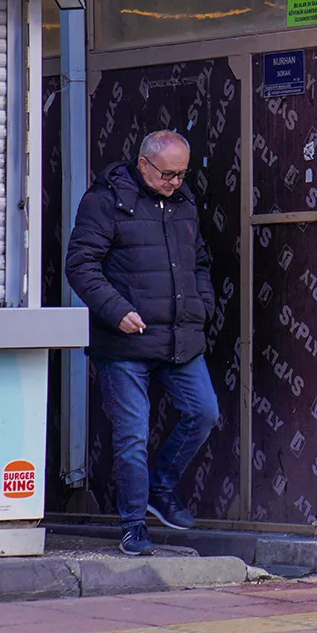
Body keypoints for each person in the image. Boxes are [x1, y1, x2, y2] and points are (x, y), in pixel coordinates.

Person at [64, 131, 221, 557]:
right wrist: (116, 310)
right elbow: (80, 264)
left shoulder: (183, 199)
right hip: (124, 341)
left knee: (204, 412)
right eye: (168, 173)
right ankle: (134, 526)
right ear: (144, 163)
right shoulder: (106, 199)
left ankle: (161, 488)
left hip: (179, 337)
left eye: (182, 173)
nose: (176, 182)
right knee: (132, 436)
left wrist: (202, 306)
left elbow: (199, 260)